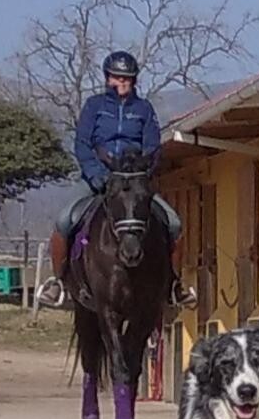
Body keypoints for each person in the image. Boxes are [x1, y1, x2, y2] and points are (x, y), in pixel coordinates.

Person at [36, 50, 197, 309]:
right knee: (64, 221)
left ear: (134, 81)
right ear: (107, 78)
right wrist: (96, 175)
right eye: (117, 77)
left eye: (127, 78)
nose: (122, 83)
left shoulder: (143, 109)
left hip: (133, 182)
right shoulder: (94, 106)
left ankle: (173, 284)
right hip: (98, 178)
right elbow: (83, 143)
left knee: (174, 224)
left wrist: (142, 175)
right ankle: (58, 283)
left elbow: (152, 147)